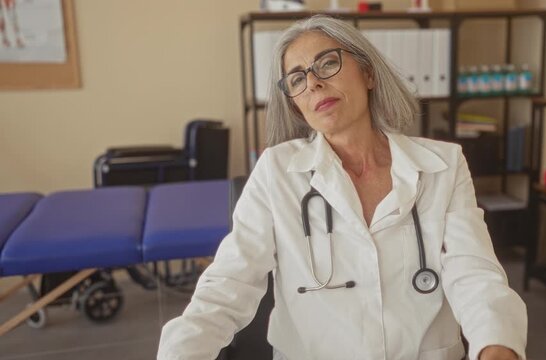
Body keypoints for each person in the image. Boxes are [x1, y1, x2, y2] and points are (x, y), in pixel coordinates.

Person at [158, 15, 527, 360]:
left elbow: (475, 273)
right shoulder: (277, 171)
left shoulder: (443, 165)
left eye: (327, 64)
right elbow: (228, 283)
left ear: (367, 73)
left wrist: (497, 345)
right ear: (295, 103)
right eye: (297, 78)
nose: (314, 82)